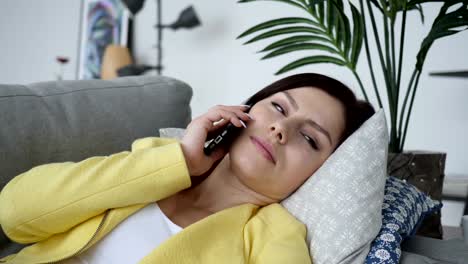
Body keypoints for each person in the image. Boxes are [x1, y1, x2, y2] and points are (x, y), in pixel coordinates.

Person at [0, 73, 375, 264]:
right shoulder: (154, 158)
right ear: (247, 109)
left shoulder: (274, 236)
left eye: (310, 140)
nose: (281, 130)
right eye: (278, 107)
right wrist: (177, 161)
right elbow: (15, 212)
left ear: (321, 173)